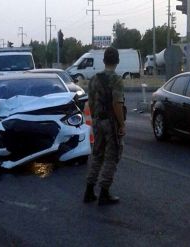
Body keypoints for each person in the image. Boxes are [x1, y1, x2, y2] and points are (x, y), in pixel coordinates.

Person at [83, 47, 126, 205]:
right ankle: (104, 192)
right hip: (111, 123)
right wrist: (121, 124)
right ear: (117, 61)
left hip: (98, 121)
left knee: (97, 155)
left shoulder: (94, 79)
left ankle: (89, 190)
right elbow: (117, 104)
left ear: (103, 61)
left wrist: (96, 118)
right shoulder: (116, 80)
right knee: (112, 157)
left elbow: (91, 103)